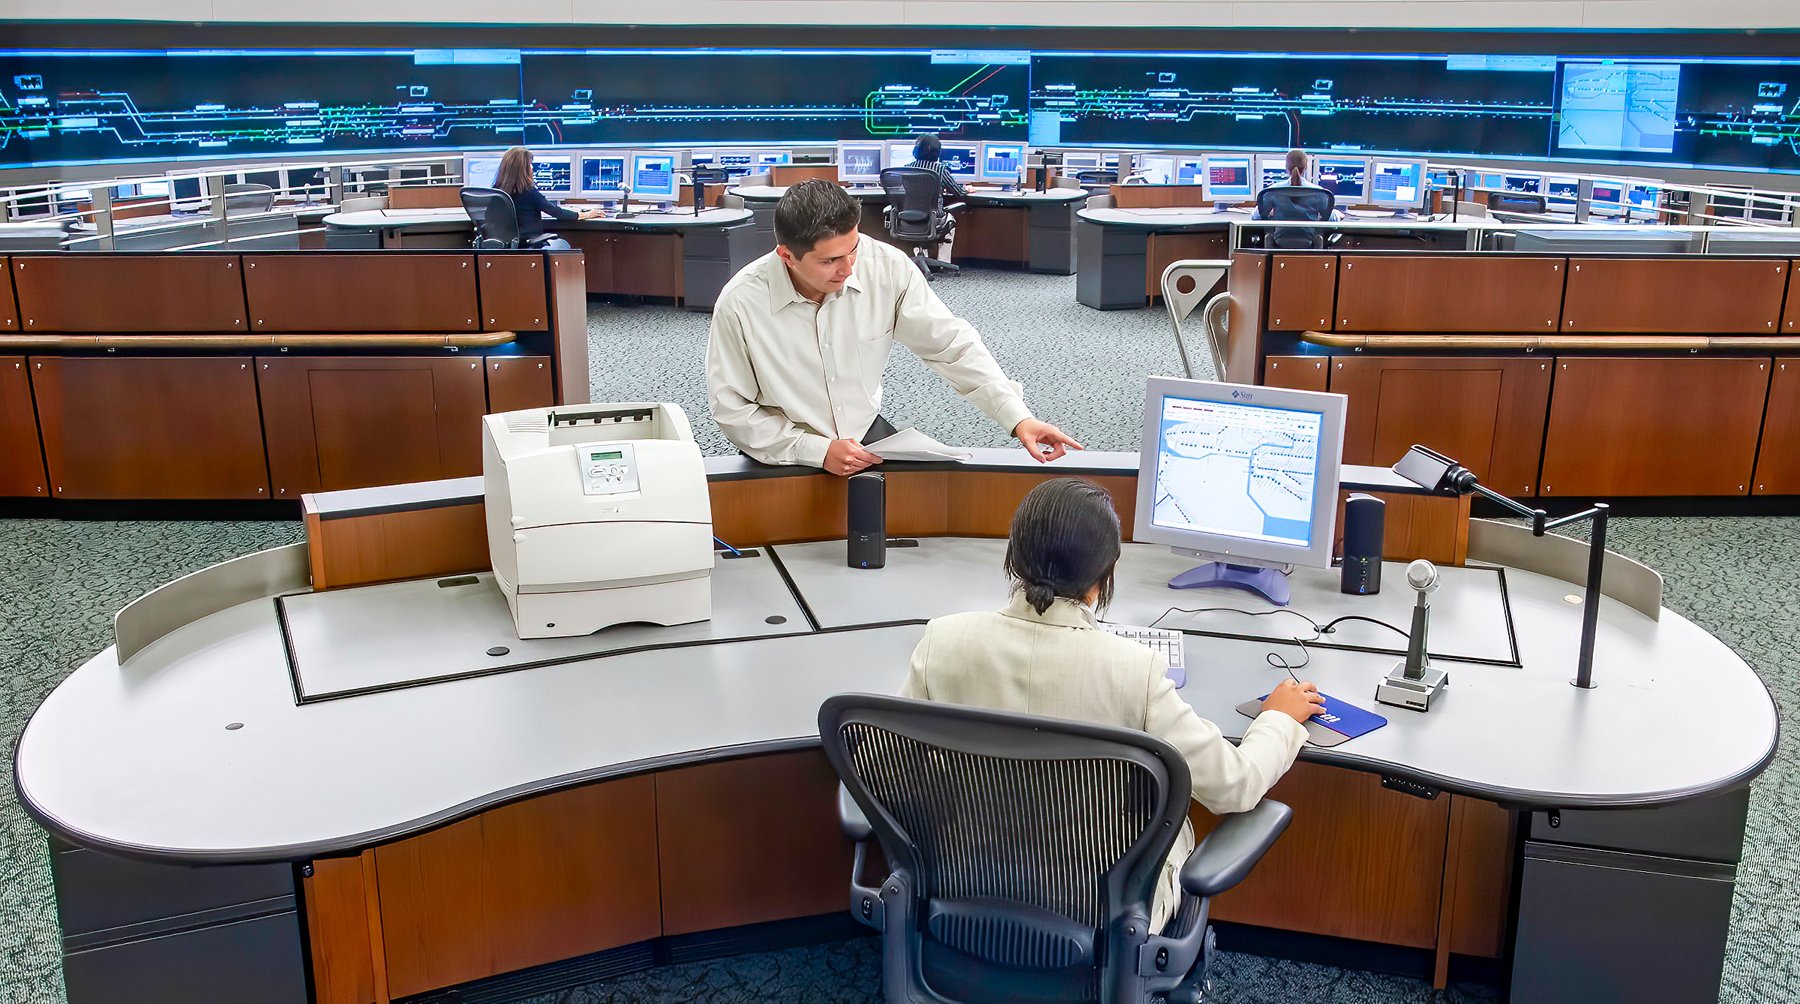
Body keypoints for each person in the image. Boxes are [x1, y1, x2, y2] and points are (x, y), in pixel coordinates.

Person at [899, 478, 1324, 931]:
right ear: (1103, 578)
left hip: (961, 889)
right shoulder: (1132, 670)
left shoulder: (942, 640)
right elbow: (1233, 787)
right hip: (1100, 914)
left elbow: (892, 774)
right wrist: (1278, 718)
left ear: (1013, 557)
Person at [706, 179, 1079, 475]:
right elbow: (733, 409)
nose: (849, 268)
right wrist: (815, 451)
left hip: (863, 434)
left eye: (853, 249)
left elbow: (952, 347)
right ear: (786, 255)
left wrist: (1018, 417)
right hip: (784, 445)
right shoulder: (741, 303)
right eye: (830, 260)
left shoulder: (886, 267)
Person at [490, 146, 601, 250]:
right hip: (529, 245)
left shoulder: (496, 192)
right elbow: (557, 212)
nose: (532, 168)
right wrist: (587, 214)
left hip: (504, 248)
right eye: (529, 164)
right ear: (522, 169)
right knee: (563, 244)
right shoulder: (529, 192)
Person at [1254, 147, 1341, 221]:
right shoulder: (1319, 193)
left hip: (1279, 239)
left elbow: (1257, 217)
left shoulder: (1272, 191)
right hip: (1311, 240)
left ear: (1286, 167)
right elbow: (1330, 218)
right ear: (1306, 167)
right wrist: (1337, 214)